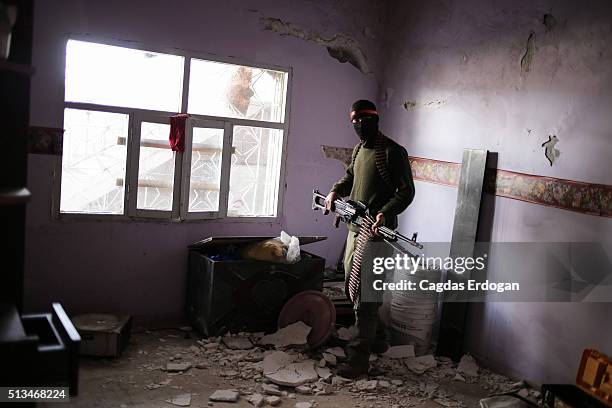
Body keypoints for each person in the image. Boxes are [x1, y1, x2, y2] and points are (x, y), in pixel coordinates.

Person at [325, 99, 415, 378]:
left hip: (376, 235)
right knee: (353, 290)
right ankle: (377, 339)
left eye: (365, 120)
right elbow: (350, 177)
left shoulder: (392, 152)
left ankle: (358, 358)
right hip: (355, 230)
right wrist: (335, 191)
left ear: (376, 120)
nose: (360, 125)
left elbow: (406, 191)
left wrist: (384, 214)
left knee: (366, 295)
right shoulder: (359, 150)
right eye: (355, 121)